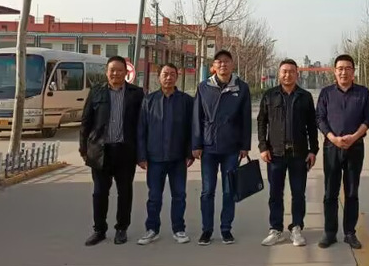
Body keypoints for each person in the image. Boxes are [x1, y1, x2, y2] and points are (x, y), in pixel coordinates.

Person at [79, 55, 145, 246]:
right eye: (112, 70)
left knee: (125, 192)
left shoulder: (136, 93)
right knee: (100, 193)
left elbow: (142, 124)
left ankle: (121, 229)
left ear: (126, 72)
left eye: (119, 70)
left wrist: (141, 152)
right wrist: (84, 148)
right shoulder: (96, 92)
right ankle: (99, 230)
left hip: (125, 151)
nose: (115, 73)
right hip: (100, 152)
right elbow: (86, 122)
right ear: (106, 72)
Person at [192, 49, 251, 245]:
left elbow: (245, 119)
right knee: (207, 191)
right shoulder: (203, 87)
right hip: (208, 147)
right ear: (213, 66)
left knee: (228, 191)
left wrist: (245, 145)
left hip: (231, 148)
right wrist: (196, 144)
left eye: (226, 61)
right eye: (219, 62)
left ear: (232, 65)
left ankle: (226, 229)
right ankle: (206, 230)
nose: (223, 64)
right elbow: (197, 118)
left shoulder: (241, 88)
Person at [257, 59, 319, 247]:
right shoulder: (269, 95)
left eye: (291, 71)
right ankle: (275, 229)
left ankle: (296, 228)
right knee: (275, 193)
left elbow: (312, 126)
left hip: (299, 154)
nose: (287, 75)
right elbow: (262, 122)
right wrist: (262, 147)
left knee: (298, 193)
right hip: (275, 154)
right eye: (284, 71)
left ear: (297, 74)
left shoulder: (305, 97)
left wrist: (313, 150)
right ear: (279, 73)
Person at [316, 54, 369, 249]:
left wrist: (354, 137)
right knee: (330, 192)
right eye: (340, 68)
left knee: (352, 192)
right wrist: (333, 138)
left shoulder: (363, 93)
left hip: (355, 147)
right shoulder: (326, 93)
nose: (343, 72)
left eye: (348, 68)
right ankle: (329, 232)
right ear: (334, 71)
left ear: (353, 71)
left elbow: (368, 120)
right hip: (332, 147)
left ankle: (350, 232)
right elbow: (320, 119)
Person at [135, 63, 195, 246]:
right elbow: (141, 130)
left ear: (177, 77)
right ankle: (152, 229)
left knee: (179, 195)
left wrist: (189, 153)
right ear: (158, 77)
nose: (168, 78)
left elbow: (192, 129)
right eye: (165, 74)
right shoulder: (149, 100)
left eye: (172, 74)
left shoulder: (186, 101)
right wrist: (141, 156)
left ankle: (179, 229)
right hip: (155, 158)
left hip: (178, 158)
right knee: (154, 196)